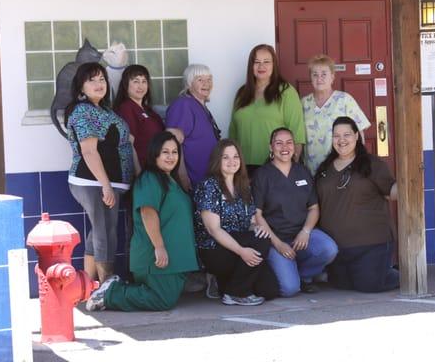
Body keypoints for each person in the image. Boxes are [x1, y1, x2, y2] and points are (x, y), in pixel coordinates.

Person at [86, 131, 199, 311]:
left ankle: (114, 290)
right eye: (165, 152)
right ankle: (110, 294)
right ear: (155, 154)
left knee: (167, 297)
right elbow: (148, 213)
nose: (171, 157)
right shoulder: (150, 178)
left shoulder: (171, 180)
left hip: (175, 259)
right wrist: (159, 246)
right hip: (155, 255)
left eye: (174, 152)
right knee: (162, 300)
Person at [64, 62, 136, 284]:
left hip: (111, 182)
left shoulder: (105, 111)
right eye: (92, 80)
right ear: (81, 88)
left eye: (102, 79)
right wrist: (105, 185)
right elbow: (89, 151)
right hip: (91, 181)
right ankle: (106, 284)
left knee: (101, 230)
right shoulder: (83, 111)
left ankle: (87, 285)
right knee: (104, 230)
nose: (98, 84)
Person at [315, 116, 399, 293]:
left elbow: (392, 192)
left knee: (368, 285)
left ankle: (400, 274)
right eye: (336, 136)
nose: (341, 140)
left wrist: (412, 179)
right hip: (338, 248)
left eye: (347, 134)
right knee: (341, 285)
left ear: (356, 136)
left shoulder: (372, 164)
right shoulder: (324, 168)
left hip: (371, 244)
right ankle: (377, 271)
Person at [252, 128, 338, 297]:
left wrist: (305, 232)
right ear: (271, 147)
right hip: (274, 237)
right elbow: (257, 215)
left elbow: (313, 208)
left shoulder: (302, 171)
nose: (285, 147)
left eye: (289, 142)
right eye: (279, 143)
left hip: (300, 234)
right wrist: (278, 244)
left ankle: (303, 275)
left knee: (329, 249)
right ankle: (286, 273)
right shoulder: (262, 175)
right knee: (289, 289)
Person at [193, 139, 279, 306]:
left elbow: (252, 221)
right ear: (217, 160)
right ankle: (235, 293)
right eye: (225, 157)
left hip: (239, 247)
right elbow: (214, 230)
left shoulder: (243, 187)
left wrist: (257, 228)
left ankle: (225, 283)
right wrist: (242, 251)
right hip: (215, 249)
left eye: (235, 156)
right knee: (261, 241)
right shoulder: (209, 186)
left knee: (270, 290)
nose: (232, 161)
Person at [230, 44, 305, 176]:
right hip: (242, 169)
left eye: (266, 62)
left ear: (274, 65)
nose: (261, 66)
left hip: (275, 167)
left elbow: (297, 134)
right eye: (256, 62)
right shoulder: (242, 93)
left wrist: (289, 169)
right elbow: (233, 133)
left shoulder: (286, 92)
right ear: (250, 66)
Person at [301, 54, 371, 175]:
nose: (319, 78)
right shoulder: (303, 103)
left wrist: (360, 161)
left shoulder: (344, 100)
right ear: (310, 78)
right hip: (311, 170)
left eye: (324, 74)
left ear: (332, 77)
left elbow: (359, 134)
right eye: (315, 74)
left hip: (341, 168)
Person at [166, 64, 221, 190]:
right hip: (192, 182)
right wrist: (183, 178)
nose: (206, 83)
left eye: (209, 79)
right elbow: (173, 144)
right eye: (200, 80)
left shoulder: (202, 107)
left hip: (208, 182)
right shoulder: (183, 105)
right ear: (189, 84)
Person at [113, 64, 165, 168]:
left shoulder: (148, 110)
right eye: (136, 81)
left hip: (157, 169)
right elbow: (129, 144)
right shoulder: (127, 108)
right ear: (126, 84)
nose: (140, 86)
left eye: (144, 81)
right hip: (143, 170)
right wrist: (138, 173)